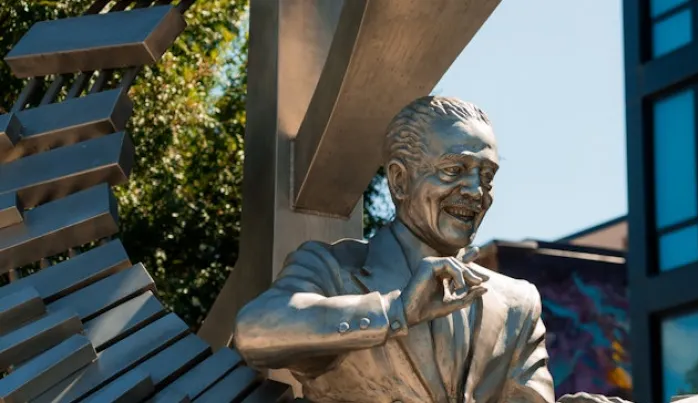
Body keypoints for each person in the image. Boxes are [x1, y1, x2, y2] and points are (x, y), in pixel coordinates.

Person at [233, 96, 556, 403]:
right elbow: (254, 332)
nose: (476, 192)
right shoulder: (332, 269)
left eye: (486, 176)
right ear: (400, 180)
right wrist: (396, 311)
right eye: (454, 170)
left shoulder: (518, 304)